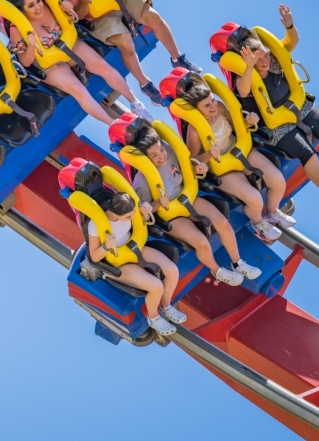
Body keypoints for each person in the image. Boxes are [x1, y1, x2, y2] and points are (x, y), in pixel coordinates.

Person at [230, 5, 319, 216]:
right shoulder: (244, 74)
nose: (264, 61)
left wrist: (289, 24)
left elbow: (292, 42)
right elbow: (243, 91)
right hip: (277, 124)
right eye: (258, 59)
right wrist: (249, 67)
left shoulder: (273, 58)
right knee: (306, 152)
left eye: (265, 56)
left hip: (299, 106)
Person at [57, 0, 200, 106]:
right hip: (99, 15)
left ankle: (177, 58)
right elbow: (79, 15)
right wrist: (83, 2)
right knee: (126, 44)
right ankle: (145, 84)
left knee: (153, 17)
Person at [3, 0, 153, 126]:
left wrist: (69, 12)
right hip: (49, 63)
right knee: (78, 90)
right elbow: (25, 62)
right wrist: (30, 46)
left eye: (37, 1)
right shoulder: (16, 28)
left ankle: (135, 103)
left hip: (68, 45)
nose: (38, 7)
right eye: (31, 5)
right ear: (21, 11)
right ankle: (113, 124)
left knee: (102, 66)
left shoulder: (48, 4)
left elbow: (72, 20)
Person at [130, 126, 261, 286]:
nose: (161, 157)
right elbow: (143, 216)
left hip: (187, 197)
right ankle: (217, 271)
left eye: (161, 150)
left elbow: (188, 167)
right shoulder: (141, 182)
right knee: (202, 243)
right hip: (170, 214)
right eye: (154, 156)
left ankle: (238, 263)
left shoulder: (170, 152)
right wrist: (157, 203)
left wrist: (201, 164)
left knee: (222, 223)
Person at [174, 72, 297, 241]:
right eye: (207, 105)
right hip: (223, 167)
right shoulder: (194, 131)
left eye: (212, 100)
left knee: (278, 181)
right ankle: (258, 222)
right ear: (197, 110)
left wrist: (249, 122)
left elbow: (235, 126)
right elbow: (193, 163)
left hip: (239, 149)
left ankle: (273, 211)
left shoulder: (220, 107)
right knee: (254, 199)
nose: (213, 107)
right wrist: (209, 154)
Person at [86, 192, 185, 336]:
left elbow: (140, 223)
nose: (132, 217)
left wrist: (145, 214)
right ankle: (153, 318)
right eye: (128, 217)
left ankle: (166, 306)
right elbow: (94, 257)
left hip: (134, 248)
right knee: (156, 287)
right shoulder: (95, 225)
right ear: (116, 214)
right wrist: (106, 246)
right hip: (120, 261)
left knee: (172, 270)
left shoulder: (128, 209)